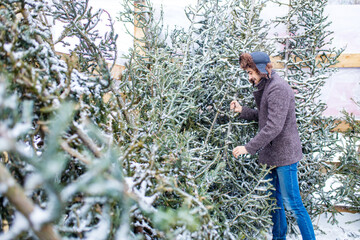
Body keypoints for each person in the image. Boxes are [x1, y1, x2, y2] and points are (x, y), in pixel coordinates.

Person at [230, 51, 316, 240]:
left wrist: (248, 148)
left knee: (293, 203)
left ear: (261, 69)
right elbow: (263, 116)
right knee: (274, 202)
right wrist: (242, 110)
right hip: (270, 155)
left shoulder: (278, 89)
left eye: (251, 72)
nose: (249, 77)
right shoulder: (266, 85)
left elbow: (273, 126)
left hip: (284, 156)